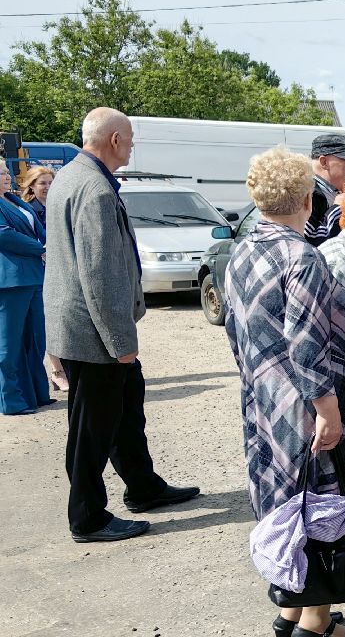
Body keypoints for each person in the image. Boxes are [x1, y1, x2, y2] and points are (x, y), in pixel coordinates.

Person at [223, 147, 345, 637]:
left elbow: (235, 331)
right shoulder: (301, 256)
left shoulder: (241, 251)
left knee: (283, 500)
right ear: (309, 198)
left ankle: (289, 607)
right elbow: (307, 341)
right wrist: (327, 409)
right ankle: (316, 621)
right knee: (319, 502)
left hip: (261, 398)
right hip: (305, 404)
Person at [45, 107, 199, 542]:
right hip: (93, 334)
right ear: (113, 140)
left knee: (126, 408)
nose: (132, 145)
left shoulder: (72, 178)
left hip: (79, 328)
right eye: (129, 137)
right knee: (92, 429)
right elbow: (99, 274)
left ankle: (144, 487)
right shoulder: (93, 189)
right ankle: (88, 517)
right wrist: (119, 342)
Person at [0, 166, 50, 414]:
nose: (7, 177)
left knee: (35, 339)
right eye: (1, 173)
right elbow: (4, 235)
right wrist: (41, 248)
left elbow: (37, 229)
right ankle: (12, 401)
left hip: (33, 277)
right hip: (11, 281)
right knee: (9, 344)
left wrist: (48, 242)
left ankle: (37, 394)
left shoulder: (13, 200)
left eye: (7, 173)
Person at [306, 133, 345, 246]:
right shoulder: (306, 193)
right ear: (324, 162)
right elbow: (309, 242)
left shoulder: (330, 190)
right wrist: (336, 209)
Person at [18, 165, 55, 229]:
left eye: (51, 183)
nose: (48, 187)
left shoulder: (59, 206)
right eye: (42, 183)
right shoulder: (27, 211)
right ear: (31, 185)